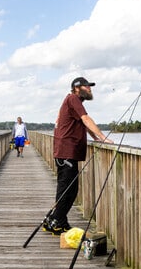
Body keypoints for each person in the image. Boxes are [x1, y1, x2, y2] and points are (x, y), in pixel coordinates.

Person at [44, 77, 113, 235]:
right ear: (77, 88)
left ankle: (58, 220)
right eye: (87, 86)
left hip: (66, 152)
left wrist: (94, 137)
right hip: (66, 152)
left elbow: (82, 123)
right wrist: (103, 137)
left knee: (67, 189)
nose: (90, 89)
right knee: (68, 190)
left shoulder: (72, 101)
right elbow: (86, 119)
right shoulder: (74, 99)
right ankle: (57, 222)